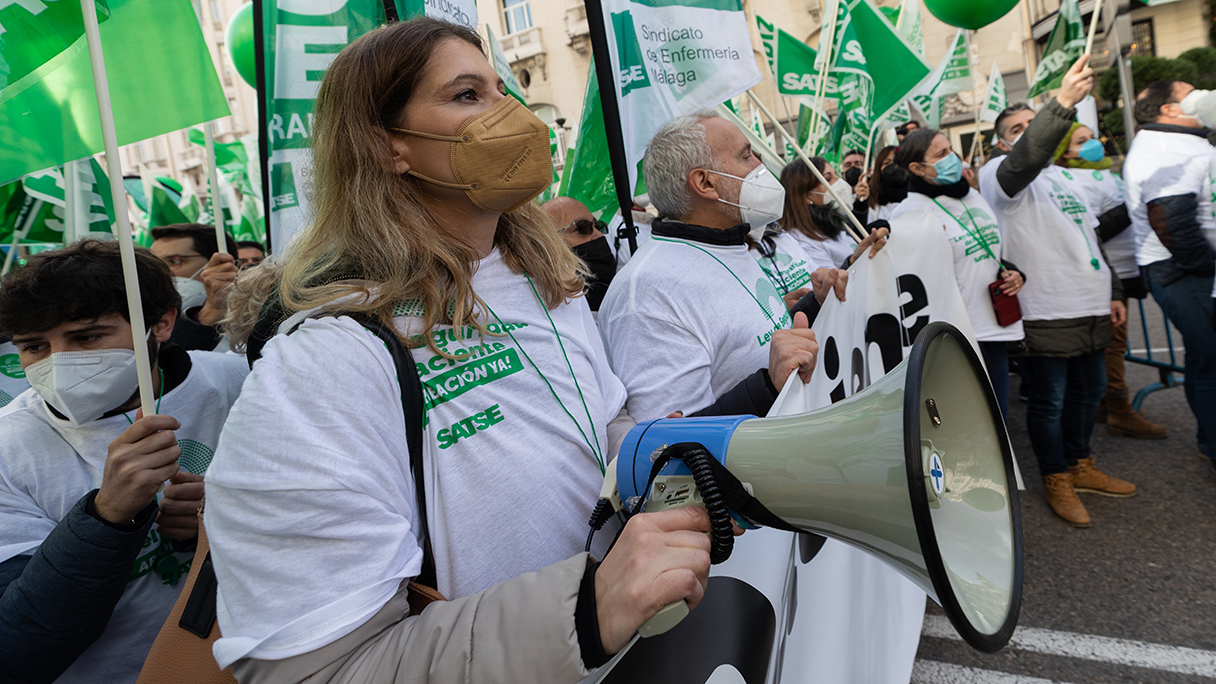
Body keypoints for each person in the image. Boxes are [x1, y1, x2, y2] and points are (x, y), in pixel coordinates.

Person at [203, 19, 729, 682]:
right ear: (388, 145)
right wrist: (584, 614)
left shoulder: (549, 281)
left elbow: (596, 429)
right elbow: (319, 670)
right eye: (466, 95)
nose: (509, 113)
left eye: (501, 90)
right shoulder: (329, 356)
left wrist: (660, 454)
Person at [0, 239, 248, 683]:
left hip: (241, 665)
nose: (58, 363)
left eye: (87, 337)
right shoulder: (9, 446)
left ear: (162, 324)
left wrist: (223, 519)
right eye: (34, 346)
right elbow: (19, 647)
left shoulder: (237, 383)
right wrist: (107, 515)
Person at [979, 55, 1134, 528]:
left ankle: (1080, 464)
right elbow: (1026, 159)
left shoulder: (1067, 177)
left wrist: (1115, 291)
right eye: (1018, 127)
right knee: (1051, 400)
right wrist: (1063, 102)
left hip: (1090, 304)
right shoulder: (1000, 175)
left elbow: (1091, 239)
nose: (1028, 131)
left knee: (1090, 393)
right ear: (1004, 141)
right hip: (1048, 309)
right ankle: (1055, 477)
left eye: (1034, 123)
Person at [596, 109, 824, 422]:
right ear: (705, 183)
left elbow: (756, 344)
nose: (761, 166)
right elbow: (669, 449)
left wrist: (815, 303)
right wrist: (769, 387)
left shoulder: (728, 244)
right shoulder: (649, 292)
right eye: (747, 157)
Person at [890, 128, 1026, 421]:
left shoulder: (972, 195)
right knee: (971, 425)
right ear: (916, 168)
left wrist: (1013, 273)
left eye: (950, 149)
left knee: (999, 419)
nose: (952, 158)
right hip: (957, 337)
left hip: (993, 327)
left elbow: (986, 251)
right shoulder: (909, 212)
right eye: (941, 154)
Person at [1122, 79, 1216, 464]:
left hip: (1192, 269)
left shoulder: (1185, 141)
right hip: (1187, 272)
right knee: (1211, 360)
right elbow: (1171, 220)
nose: (1205, 97)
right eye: (1192, 94)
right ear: (1170, 110)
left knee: (1206, 358)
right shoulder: (1163, 148)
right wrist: (1207, 268)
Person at [1054, 123, 1167, 440]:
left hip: (1125, 270)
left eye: (1092, 136)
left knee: (1115, 342)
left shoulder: (1105, 173)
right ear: (1066, 152)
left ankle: (1104, 403)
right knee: (1113, 345)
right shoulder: (1075, 180)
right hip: (1107, 272)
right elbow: (1091, 230)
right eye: (1082, 141)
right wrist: (1132, 207)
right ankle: (1119, 409)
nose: (1093, 143)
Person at [778, 158, 888, 271]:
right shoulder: (802, 241)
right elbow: (830, 285)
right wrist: (852, 262)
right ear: (807, 195)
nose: (840, 181)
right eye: (828, 179)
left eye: (836, 175)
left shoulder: (834, 226)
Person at [149, 223, 239, 351]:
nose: (160, 271)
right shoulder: (141, 319)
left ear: (220, 263)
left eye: (174, 261)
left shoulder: (255, 318)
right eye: (154, 263)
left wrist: (212, 310)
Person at [542, 196, 616, 311]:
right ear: (550, 242)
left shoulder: (621, 294)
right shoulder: (550, 309)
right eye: (583, 228)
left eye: (597, 225)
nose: (599, 235)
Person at [867, 145, 907, 223]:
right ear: (879, 168)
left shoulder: (918, 195)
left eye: (897, 162)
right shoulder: (870, 199)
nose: (894, 166)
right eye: (887, 163)